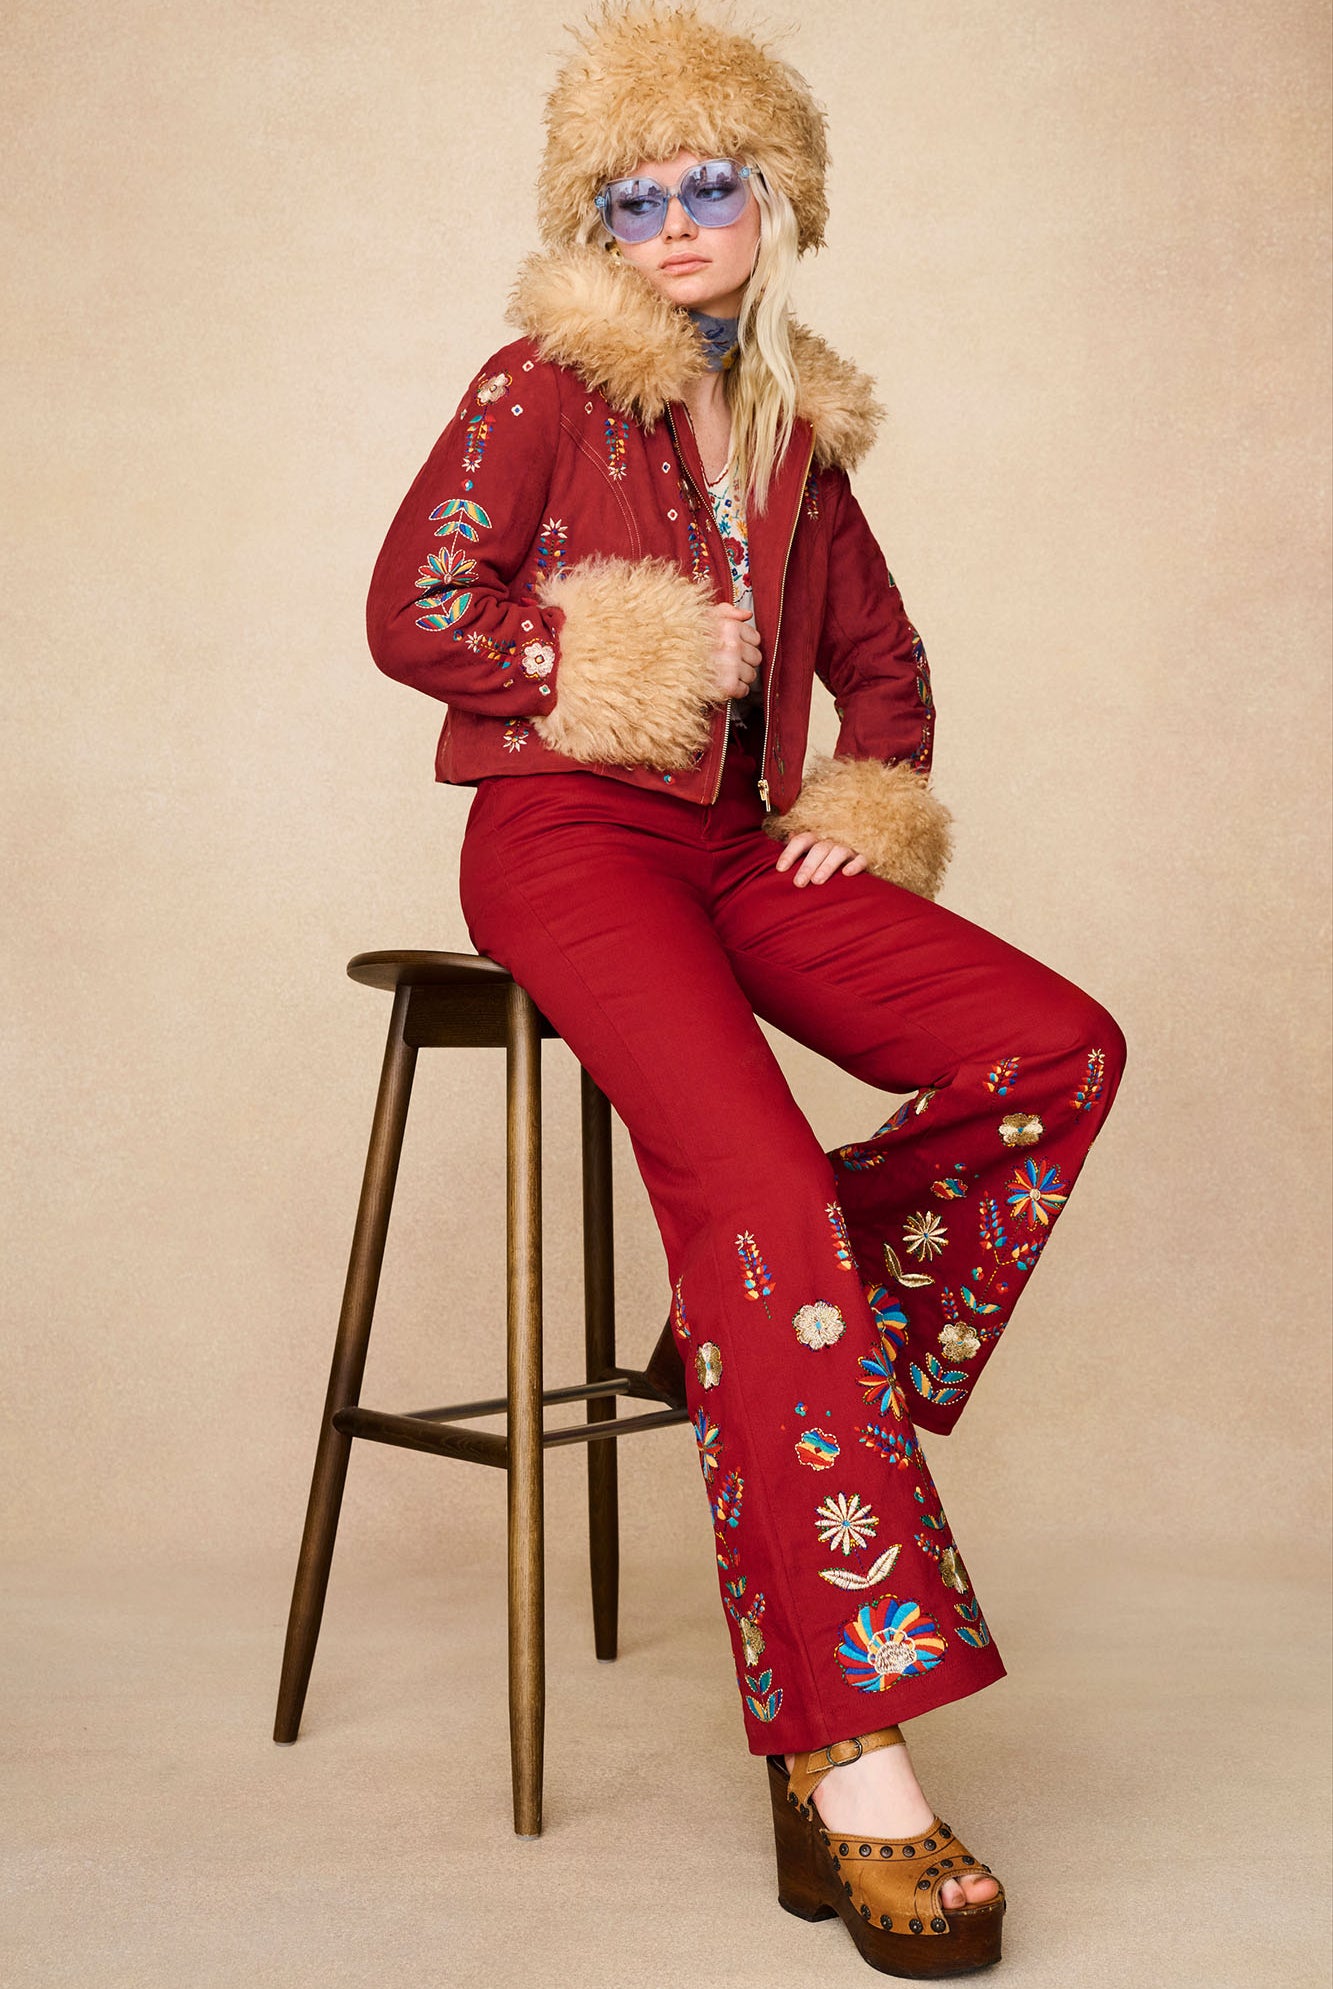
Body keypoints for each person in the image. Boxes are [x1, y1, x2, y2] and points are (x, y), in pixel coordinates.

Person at [365, 1, 1126, 1973]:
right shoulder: (540, 380)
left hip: (731, 854)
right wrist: (618, 652)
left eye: (714, 185)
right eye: (638, 193)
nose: (677, 220)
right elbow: (416, 606)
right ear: (596, 219)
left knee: (1051, 1045)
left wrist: (855, 806)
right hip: (565, 840)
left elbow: (888, 670)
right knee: (764, 1199)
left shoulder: (793, 427)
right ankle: (847, 1745)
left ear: (773, 204)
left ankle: (756, 1336)